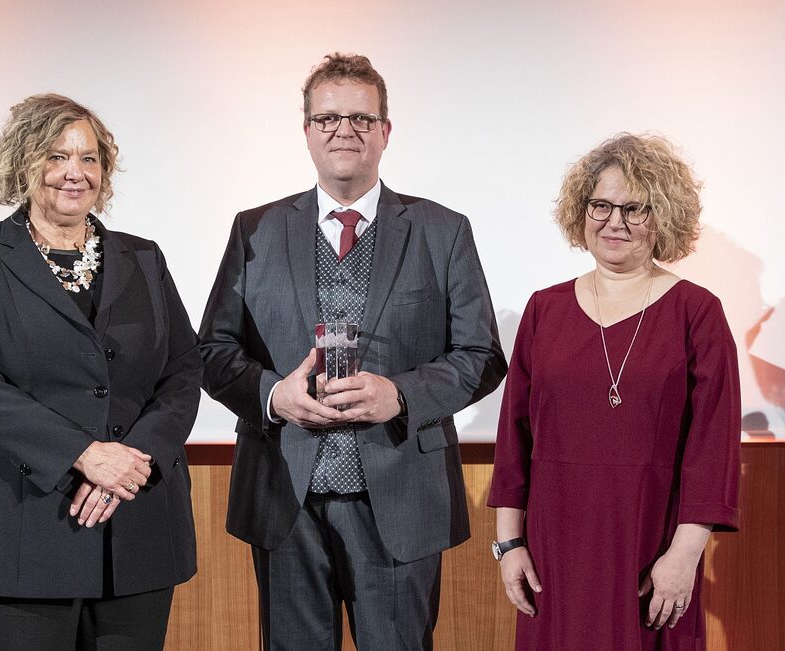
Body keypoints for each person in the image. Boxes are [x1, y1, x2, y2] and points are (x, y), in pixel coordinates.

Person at [199, 53, 506, 649]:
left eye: (362, 120)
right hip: (285, 495)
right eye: (329, 118)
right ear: (307, 131)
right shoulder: (253, 228)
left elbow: (481, 354)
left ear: (386, 132)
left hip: (400, 496)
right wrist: (272, 395)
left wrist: (402, 394)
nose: (345, 131)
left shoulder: (443, 231)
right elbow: (213, 349)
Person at [0, 93, 201, 649]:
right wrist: (85, 455)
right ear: (23, 163)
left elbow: (182, 369)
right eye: (55, 157)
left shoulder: (142, 257)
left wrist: (135, 461)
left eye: (90, 158)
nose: (74, 173)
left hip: (134, 520)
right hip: (19, 525)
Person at [488, 133, 741, 649]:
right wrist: (509, 542)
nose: (614, 222)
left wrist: (685, 555)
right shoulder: (544, 309)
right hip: (553, 550)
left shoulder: (698, 312)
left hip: (651, 545)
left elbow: (713, 447)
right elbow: (514, 436)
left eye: (634, 209)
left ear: (664, 217)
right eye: (600, 205)